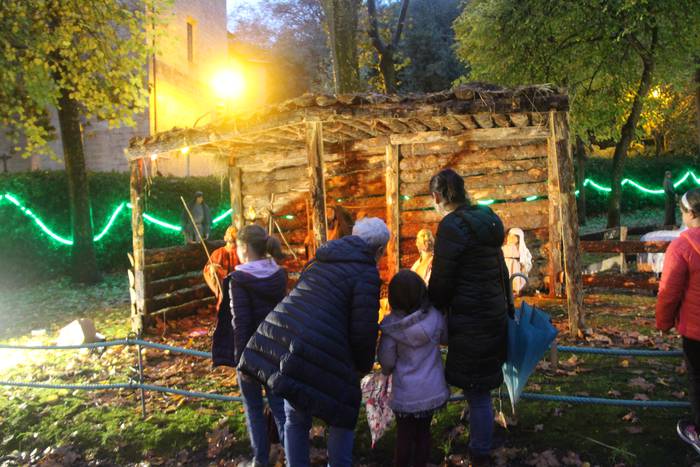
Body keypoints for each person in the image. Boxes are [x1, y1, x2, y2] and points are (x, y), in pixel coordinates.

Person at [238, 217, 390, 467]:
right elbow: (363, 330)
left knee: (295, 417)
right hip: (326, 350)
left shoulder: (322, 259)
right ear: (380, 250)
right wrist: (361, 367)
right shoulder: (366, 273)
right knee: (342, 415)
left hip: (288, 344)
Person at [427, 168, 513, 467]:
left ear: (438, 196)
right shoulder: (487, 218)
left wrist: (430, 305)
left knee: (477, 390)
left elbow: (441, 280)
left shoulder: (451, 227)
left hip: (470, 317)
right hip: (492, 312)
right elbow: (499, 270)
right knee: (482, 387)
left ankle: (480, 453)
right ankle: (482, 440)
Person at [212, 224, 288, 467]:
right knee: (280, 408)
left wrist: (242, 362)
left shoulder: (239, 280)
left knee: (254, 409)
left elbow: (241, 322)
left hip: (251, 353)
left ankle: (261, 460)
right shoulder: (279, 275)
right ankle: (294, 459)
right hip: (276, 351)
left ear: (243, 248)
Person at [378, 269, 449, 467]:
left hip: (405, 392)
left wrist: (385, 368)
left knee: (404, 435)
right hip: (431, 388)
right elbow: (445, 338)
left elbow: (387, 361)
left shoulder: (391, 328)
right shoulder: (435, 317)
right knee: (423, 433)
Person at [655, 188, 700, 453]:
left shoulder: (682, 246)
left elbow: (669, 291)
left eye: (682, 211)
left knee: (698, 380)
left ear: (690, 213)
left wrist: (663, 323)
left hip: (696, 332)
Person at [203, 225, 239, 307]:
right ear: (225, 237)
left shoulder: (242, 251)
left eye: (233, 232)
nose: (231, 234)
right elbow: (208, 269)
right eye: (229, 232)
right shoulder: (219, 253)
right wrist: (213, 269)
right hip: (225, 287)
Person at [501, 227, 532, 296]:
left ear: (519, 239)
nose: (511, 239)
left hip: (515, 267)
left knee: (515, 279)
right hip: (506, 265)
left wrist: (523, 264)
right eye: (510, 236)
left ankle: (515, 291)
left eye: (514, 237)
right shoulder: (504, 248)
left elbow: (526, 260)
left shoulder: (522, 249)